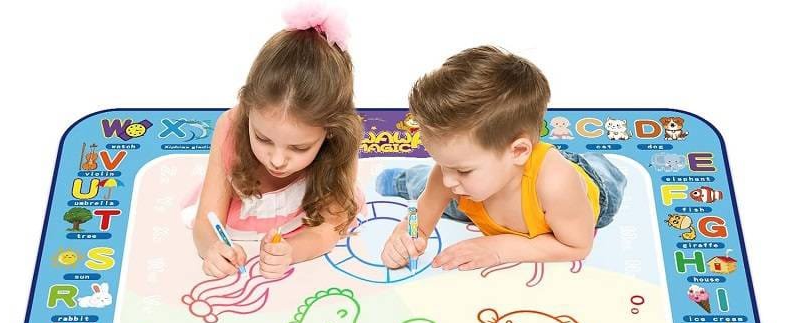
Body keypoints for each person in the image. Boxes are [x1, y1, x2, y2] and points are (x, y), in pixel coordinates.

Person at [379, 46, 626, 271]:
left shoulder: (557, 185)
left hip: (581, 194)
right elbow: (418, 217)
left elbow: (577, 246)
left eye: (463, 170)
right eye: (440, 163)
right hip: (482, 195)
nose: (447, 180)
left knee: (605, 171)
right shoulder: (455, 177)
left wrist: (499, 248)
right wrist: (407, 234)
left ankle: (593, 163)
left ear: (517, 152)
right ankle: (404, 180)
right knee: (429, 185)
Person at [193, 3, 363, 279]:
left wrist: (291, 250)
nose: (277, 160)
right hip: (242, 220)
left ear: (330, 131)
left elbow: (329, 229)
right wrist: (213, 247)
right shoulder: (230, 127)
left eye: (299, 148)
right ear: (248, 109)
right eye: (262, 138)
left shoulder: (341, 140)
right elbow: (205, 221)